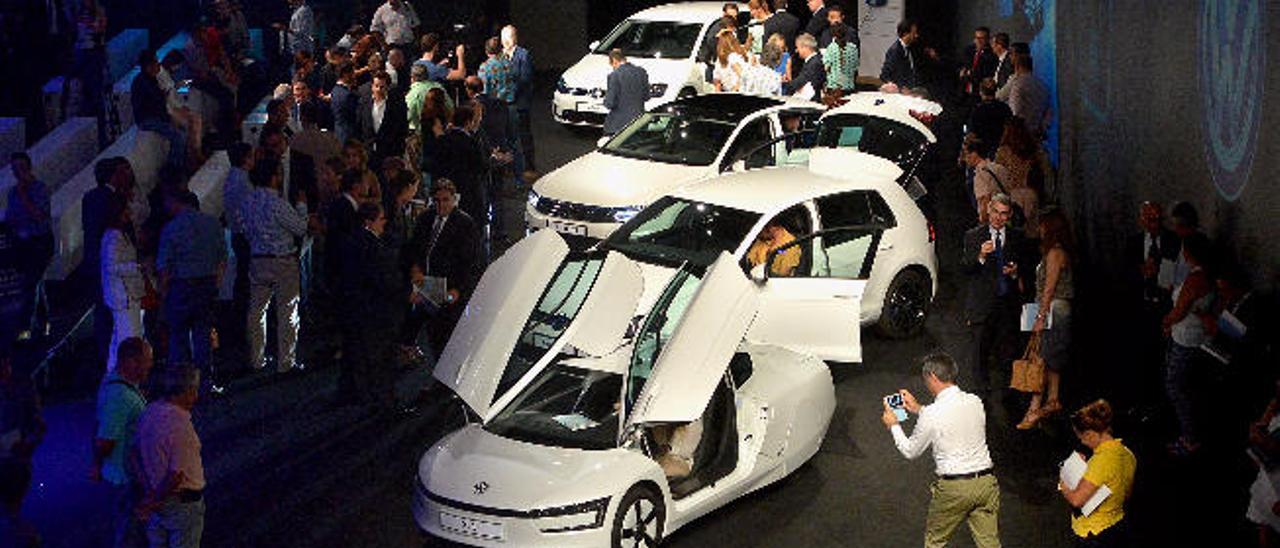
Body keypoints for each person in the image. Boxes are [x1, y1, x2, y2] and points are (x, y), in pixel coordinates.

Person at [882, 353, 1000, 548]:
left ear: (933, 377)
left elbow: (911, 451)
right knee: (989, 543)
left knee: (935, 542)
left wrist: (893, 425)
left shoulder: (932, 413)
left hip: (955, 488)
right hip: (986, 484)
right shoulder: (975, 401)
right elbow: (953, 420)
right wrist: (919, 409)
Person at [243, 155, 311, 373]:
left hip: (258, 260)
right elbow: (300, 228)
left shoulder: (248, 202)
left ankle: (257, 359)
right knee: (287, 312)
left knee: (256, 312)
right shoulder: (278, 204)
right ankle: (286, 362)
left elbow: (243, 228)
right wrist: (302, 206)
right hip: (283, 261)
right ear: (274, 177)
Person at [336, 202, 403, 409]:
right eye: (381, 219)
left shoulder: (349, 242)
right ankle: (382, 401)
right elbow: (382, 280)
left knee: (358, 355)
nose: (384, 223)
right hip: (375, 312)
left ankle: (360, 395)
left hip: (355, 309)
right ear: (369, 222)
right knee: (378, 358)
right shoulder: (373, 247)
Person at [156, 191, 225, 387]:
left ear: (179, 203)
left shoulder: (171, 228)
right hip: (207, 284)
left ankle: (181, 383)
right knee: (203, 335)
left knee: (178, 336)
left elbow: (164, 266)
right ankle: (205, 381)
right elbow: (222, 258)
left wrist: (163, 294)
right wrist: (216, 285)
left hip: (181, 286)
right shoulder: (213, 224)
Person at [135, 363, 206, 548]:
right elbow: (176, 475)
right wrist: (153, 501)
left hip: (154, 495)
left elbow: (135, 455)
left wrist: (148, 493)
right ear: (184, 391)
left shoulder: (148, 413)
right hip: (181, 504)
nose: (196, 397)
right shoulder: (180, 425)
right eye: (194, 390)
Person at [961, 194, 1025, 396]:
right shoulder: (973, 236)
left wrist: (1015, 272)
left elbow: (1027, 268)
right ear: (988, 210)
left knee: (1007, 350)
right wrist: (980, 255)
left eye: (1003, 214)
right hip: (982, 304)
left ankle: (1009, 392)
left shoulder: (1017, 237)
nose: (998, 217)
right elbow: (965, 269)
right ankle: (981, 391)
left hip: (1007, 303)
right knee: (980, 350)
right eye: (995, 212)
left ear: (1009, 216)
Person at [408, 180, 481, 357]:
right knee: (433, 334)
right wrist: (416, 269)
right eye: (437, 200)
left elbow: (470, 263)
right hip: (428, 285)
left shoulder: (464, 224)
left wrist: (458, 290)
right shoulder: (426, 219)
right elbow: (416, 248)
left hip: (451, 289)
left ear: (454, 199)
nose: (441, 204)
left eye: (445, 200)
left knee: (448, 339)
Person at [92, 337, 152, 548]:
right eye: (147, 361)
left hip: (121, 475)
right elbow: (105, 441)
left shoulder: (114, 384)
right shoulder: (120, 396)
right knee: (128, 533)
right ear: (131, 362)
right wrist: (96, 465)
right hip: (124, 478)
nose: (150, 366)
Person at [1017, 208, 1074, 429]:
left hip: (1052, 310)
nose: (1039, 229)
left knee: (1040, 358)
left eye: (1042, 225)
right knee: (1052, 358)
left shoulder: (1055, 254)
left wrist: (1040, 316)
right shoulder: (1053, 252)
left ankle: (1034, 408)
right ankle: (1053, 399)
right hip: (1051, 308)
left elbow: (1049, 288)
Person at [1162, 232, 1214, 456]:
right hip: (1195, 337)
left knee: (1176, 386)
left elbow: (1179, 310)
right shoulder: (1206, 275)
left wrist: (1165, 321)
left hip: (1186, 339)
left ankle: (1189, 437)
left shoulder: (1195, 278)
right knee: (1188, 387)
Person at [1059, 400, 1136, 546]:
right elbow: (1127, 493)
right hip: (1117, 524)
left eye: (1081, 438)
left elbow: (1076, 500)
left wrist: (1063, 483)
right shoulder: (1127, 454)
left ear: (1089, 434)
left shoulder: (1100, 463)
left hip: (1093, 532)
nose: (1083, 442)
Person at [84, 158, 135, 365]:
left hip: (93, 261)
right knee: (115, 315)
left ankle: (103, 356)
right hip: (113, 263)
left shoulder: (89, 197)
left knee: (102, 310)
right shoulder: (113, 199)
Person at [5, 153, 53, 341]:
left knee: (31, 283)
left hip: (40, 242)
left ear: (29, 167)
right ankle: (44, 323)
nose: (18, 173)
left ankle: (25, 327)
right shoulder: (12, 193)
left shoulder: (40, 189)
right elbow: (10, 218)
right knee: (35, 283)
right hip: (23, 245)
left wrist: (25, 195)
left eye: (22, 168)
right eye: (15, 169)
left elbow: (41, 216)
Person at [0, 345, 42, 548]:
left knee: (11, 509)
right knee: (10, 512)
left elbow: (37, 425)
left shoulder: (22, 389)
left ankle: (27, 537)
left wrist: (26, 445)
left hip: (15, 462)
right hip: (12, 459)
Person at [101, 200, 145, 374]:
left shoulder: (118, 235)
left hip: (125, 294)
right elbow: (111, 266)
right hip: (123, 295)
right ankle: (125, 376)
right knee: (128, 339)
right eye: (126, 211)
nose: (129, 214)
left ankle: (115, 374)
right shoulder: (113, 237)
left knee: (120, 338)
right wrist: (136, 267)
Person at [433, 103, 490, 229]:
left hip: (447, 190)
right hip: (469, 193)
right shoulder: (471, 142)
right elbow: (480, 167)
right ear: (468, 122)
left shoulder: (443, 140)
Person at [132, 50, 188, 172]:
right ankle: (173, 168)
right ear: (148, 66)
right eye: (156, 63)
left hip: (155, 115)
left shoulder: (151, 79)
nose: (159, 65)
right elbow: (154, 107)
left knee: (183, 127)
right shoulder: (143, 84)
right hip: (146, 120)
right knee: (179, 136)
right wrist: (169, 119)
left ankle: (183, 162)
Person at [993, 118, 1043, 237]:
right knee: (1031, 233)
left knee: (1013, 233)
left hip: (1012, 196)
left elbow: (997, 176)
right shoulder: (1033, 150)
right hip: (1031, 194)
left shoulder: (1003, 152)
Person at [501, 25, 538, 180]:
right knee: (507, 137)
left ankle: (529, 167)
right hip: (505, 104)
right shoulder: (501, 56)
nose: (505, 41)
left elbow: (525, 78)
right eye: (503, 38)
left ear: (514, 38)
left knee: (524, 137)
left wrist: (509, 94)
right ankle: (510, 167)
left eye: (507, 37)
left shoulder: (524, 55)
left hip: (520, 103)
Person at [357, 71, 408, 169]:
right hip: (368, 153)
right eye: (376, 86)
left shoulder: (396, 107)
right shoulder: (364, 104)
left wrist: (398, 154)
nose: (379, 90)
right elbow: (359, 126)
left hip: (389, 154)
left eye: (382, 87)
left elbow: (402, 130)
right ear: (372, 87)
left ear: (388, 88)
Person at [999, 49, 1050, 140]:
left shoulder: (1017, 83)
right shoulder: (1042, 85)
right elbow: (1048, 111)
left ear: (1017, 67)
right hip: (1037, 132)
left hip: (1020, 133)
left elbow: (1014, 107)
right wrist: (1042, 128)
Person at [961, 137, 1012, 224]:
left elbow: (985, 199)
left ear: (974, 154)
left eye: (966, 154)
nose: (965, 159)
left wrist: (983, 221)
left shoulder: (980, 174)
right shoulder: (1000, 168)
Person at [602, 49, 649, 136]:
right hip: (639, 122)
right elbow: (646, 96)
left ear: (614, 61)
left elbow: (610, 103)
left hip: (618, 125)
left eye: (612, 65)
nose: (613, 67)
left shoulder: (614, 75)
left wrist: (604, 102)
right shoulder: (642, 72)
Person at [968, 79, 1012, 157]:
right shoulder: (1005, 108)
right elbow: (1009, 129)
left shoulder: (977, 110)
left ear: (981, 92)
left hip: (982, 152)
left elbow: (972, 134)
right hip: (1001, 150)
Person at [821, 22, 858, 95]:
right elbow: (855, 67)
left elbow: (826, 68)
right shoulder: (853, 48)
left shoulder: (831, 48)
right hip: (849, 88)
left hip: (834, 89)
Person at [881, 19, 919, 89]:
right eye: (914, 33)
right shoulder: (895, 50)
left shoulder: (908, 49)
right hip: (901, 94)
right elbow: (885, 74)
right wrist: (899, 88)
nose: (916, 35)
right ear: (905, 33)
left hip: (909, 91)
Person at [783, 33, 824, 97]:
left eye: (797, 47)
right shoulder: (814, 60)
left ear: (805, 47)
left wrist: (783, 82)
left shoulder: (814, 63)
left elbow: (799, 82)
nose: (796, 50)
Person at [959, 27, 996, 97]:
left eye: (981, 38)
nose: (978, 41)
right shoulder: (968, 50)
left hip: (980, 92)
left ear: (987, 39)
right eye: (977, 38)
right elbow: (961, 65)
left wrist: (969, 73)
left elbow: (984, 74)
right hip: (965, 90)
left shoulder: (991, 55)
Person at [330, 62, 359, 144]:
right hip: (349, 135)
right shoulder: (348, 95)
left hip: (339, 133)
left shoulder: (334, 90)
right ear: (345, 74)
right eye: (352, 72)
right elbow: (356, 115)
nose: (354, 75)